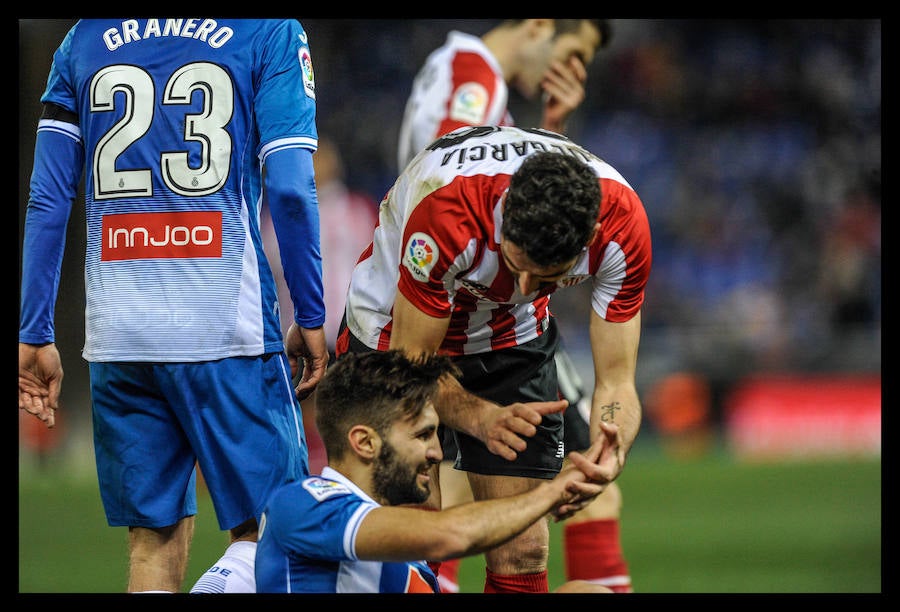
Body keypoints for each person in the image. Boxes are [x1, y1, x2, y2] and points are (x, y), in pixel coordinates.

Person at [18, 18, 328, 594]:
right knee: (277, 536)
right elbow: (289, 186)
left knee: (152, 548)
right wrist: (310, 312)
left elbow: (49, 197)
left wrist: (34, 330)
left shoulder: (84, 39)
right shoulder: (269, 31)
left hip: (119, 336)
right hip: (225, 330)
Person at [337, 125, 651, 593]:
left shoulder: (624, 229)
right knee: (413, 532)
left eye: (548, 278)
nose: (524, 289)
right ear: (507, 212)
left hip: (512, 340)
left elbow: (617, 384)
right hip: (393, 330)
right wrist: (478, 417)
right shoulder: (448, 212)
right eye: (515, 263)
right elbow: (412, 363)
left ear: (590, 238)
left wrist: (612, 449)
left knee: (521, 547)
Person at [396, 19, 634, 593]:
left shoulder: (452, 69)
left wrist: (554, 132)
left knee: (458, 487)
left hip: (457, 305)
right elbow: (454, 189)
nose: (571, 69)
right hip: (470, 318)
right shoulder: (475, 82)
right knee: (563, 497)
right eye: (573, 51)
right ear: (537, 27)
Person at [255, 349, 617, 593]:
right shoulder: (306, 504)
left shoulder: (402, 550)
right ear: (364, 442)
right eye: (423, 435)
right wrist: (551, 492)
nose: (435, 452)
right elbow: (450, 535)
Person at [260, 136, 379, 473]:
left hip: (349, 322)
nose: (317, 165)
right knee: (306, 403)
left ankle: (342, 466)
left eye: (322, 158)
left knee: (348, 402)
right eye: (311, 159)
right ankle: (311, 467)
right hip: (297, 324)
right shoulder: (277, 216)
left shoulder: (358, 206)